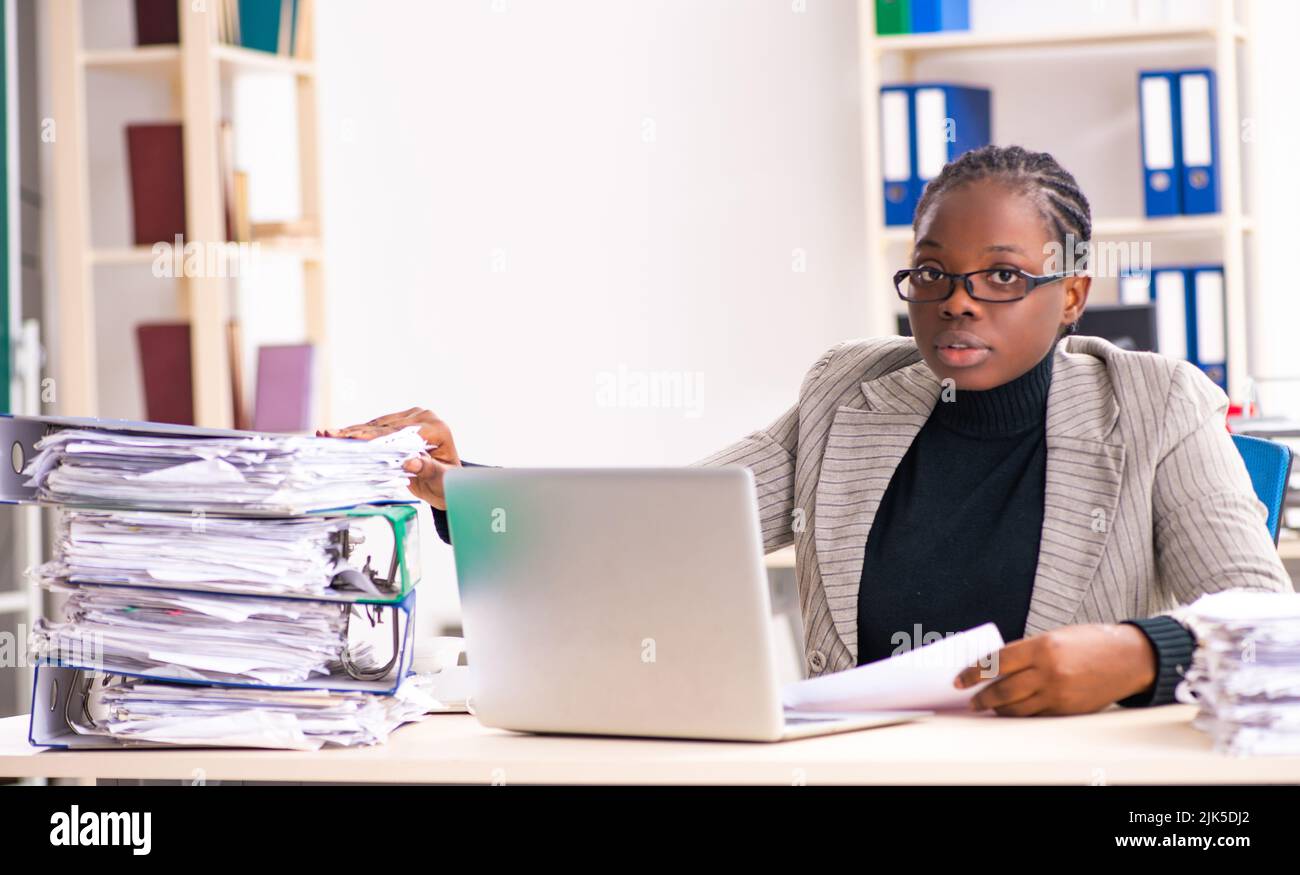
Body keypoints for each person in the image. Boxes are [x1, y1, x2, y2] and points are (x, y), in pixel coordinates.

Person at [324, 144, 1291, 717]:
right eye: (933, 273)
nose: (960, 304)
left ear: (1072, 294)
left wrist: (1139, 651)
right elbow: (668, 525)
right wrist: (468, 485)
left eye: (1003, 276)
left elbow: (1269, 620)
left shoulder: (1156, 401)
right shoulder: (849, 391)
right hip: (859, 773)